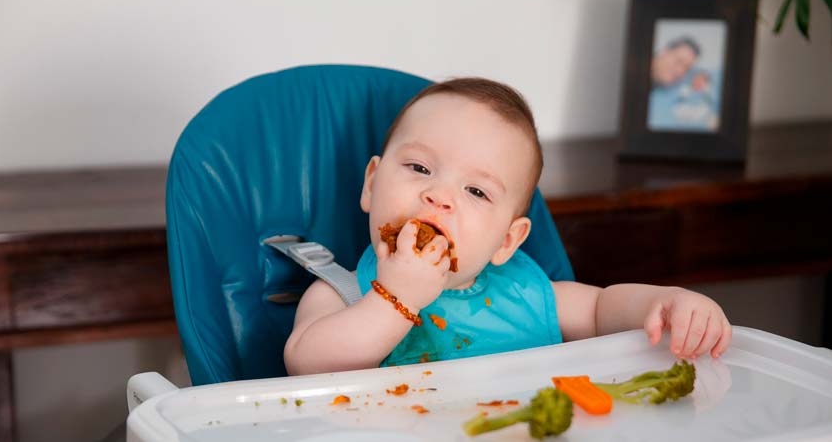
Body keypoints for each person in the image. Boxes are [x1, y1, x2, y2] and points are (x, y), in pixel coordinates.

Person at [284, 78, 731, 375]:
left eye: (476, 192)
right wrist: (394, 300)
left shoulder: (529, 295)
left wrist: (668, 302)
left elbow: (602, 310)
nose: (439, 196)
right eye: (419, 167)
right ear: (371, 183)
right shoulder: (342, 294)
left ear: (507, 241)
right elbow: (307, 366)